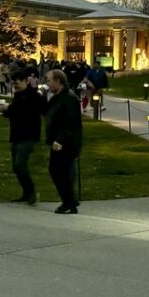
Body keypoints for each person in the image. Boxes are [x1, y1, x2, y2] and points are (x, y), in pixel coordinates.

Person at [0, 68, 44, 204]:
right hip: (16, 134)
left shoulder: (33, 95)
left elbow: (26, 111)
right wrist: (5, 112)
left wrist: (9, 108)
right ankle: (27, 192)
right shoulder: (18, 95)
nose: (15, 86)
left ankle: (31, 191)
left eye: (17, 83)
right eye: (13, 84)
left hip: (28, 135)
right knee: (15, 166)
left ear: (25, 81)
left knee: (19, 164)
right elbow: (16, 113)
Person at [45, 69, 83, 214]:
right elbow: (46, 111)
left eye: (49, 80)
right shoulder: (57, 97)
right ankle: (70, 202)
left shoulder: (69, 98)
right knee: (58, 171)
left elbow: (70, 122)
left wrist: (60, 140)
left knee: (58, 170)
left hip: (66, 142)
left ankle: (68, 202)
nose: (47, 83)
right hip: (58, 140)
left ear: (58, 81)